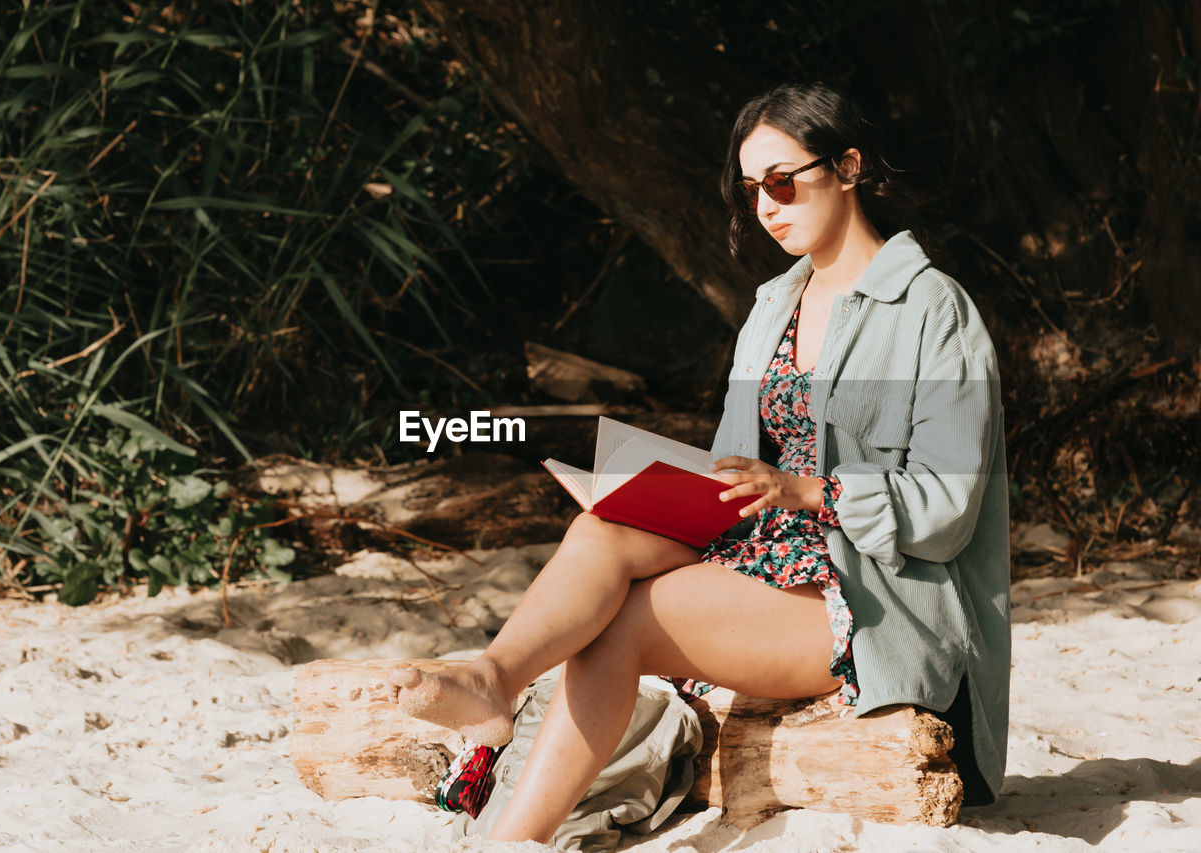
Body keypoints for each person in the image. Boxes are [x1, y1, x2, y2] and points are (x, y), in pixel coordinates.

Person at [386, 80, 1011, 842]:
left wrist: (805, 489)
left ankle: (516, 836)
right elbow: (733, 468)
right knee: (601, 530)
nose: (767, 205)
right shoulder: (773, 306)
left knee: (629, 625)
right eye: (752, 190)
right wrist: (658, 489)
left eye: (783, 181)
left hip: (866, 594)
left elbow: (947, 511)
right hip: (756, 551)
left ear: (848, 167)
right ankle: (494, 678)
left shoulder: (931, 308)